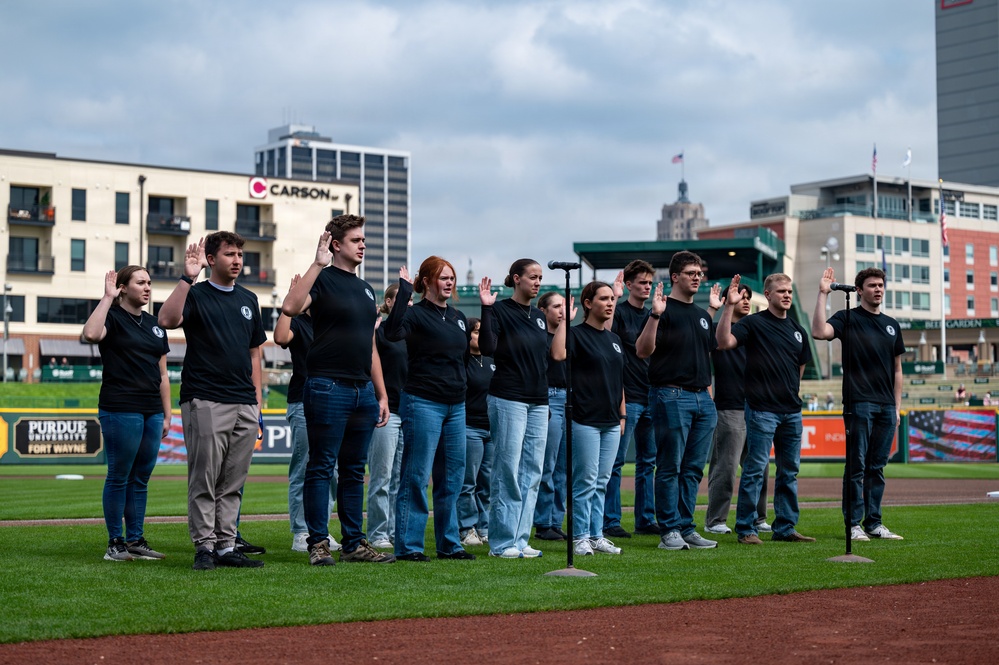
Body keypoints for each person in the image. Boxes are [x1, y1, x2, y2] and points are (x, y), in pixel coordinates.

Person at [281, 215, 394, 566]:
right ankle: (317, 543)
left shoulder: (366, 288)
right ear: (336, 244)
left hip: (362, 390)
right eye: (356, 240)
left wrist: (382, 394)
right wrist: (316, 264)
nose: (362, 245)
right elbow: (290, 307)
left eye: (363, 240)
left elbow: (369, 345)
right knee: (321, 467)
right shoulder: (323, 278)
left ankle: (354, 544)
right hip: (327, 386)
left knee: (353, 470)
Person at [158, 232, 267, 570]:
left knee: (233, 482)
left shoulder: (249, 298)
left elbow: (254, 355)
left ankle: (225, 545)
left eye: (240, 255)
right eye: (230, 254)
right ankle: (204, 547)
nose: (237, 260)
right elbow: (165, 320)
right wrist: (187, 277)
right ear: (211, 259)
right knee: (204, 478)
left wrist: (257, 404)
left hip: (244, 402)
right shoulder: (195, 293)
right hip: (205, 398)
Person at [386, 258, 474, 561]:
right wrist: (403, 291)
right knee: (416, 474)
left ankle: (449, 544)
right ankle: (409, 546)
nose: (449, 282)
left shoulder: (459, 317)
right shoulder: (416, 314)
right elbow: (392, 332)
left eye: (452, 278)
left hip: (456, 404)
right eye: (442, 278)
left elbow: (463, 360)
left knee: (452, 478)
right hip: (423, 401)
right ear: (426, 282)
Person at [716, 273, 814, 545]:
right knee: (755, 470)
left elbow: (801, 365)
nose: (786, 295)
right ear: (768, 295)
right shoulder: (753, 324)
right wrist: (727, 307)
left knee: (789, 471)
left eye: (790, 292)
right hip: (761, 410)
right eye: (781, 291)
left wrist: (790, 389)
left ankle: (785, 527)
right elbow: (724, 342)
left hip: (791, 411)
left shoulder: (797, 330)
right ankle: (747, 528)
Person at [83, 266, 171, 561]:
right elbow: (91, 334)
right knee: (119, 476)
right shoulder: (111, 317)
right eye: (140, 282)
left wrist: (167, 414)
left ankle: (135, 539)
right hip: (120, 406)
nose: (147, 287)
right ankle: (114, 542)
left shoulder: (155, 324)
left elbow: (163, 374)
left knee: (141, 477)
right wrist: (107, 298)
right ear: (123, 287)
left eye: (149, 282)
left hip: (151, 410)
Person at [812, 266, 905, 541]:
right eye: (872, 285)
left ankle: (874, 523)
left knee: (877, 467)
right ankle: (853, 523)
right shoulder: (847, 317)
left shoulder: (892, 324)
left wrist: (897, 407)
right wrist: (822, 294)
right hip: (859, 402)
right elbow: (819, 331)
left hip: (886, 406)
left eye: (881, 285)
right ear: (860, 289)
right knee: (856, 466)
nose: (878, 289)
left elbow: (898, 370)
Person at [635, 251, 719, 551]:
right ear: (674, 277)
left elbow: (709, 354)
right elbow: (643, 351)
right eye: (691, 273)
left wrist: (724, 310)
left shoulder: (700, 315)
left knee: (694, 469)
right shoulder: (662, 309)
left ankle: (686, 527)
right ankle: (669, 530)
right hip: (670, 395)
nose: (698, 277)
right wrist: (655, 314)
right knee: (670, 466)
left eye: (700, 273)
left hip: (702, 399)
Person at [478, 259, 561, 559]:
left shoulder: (539, 318)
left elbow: (546, 361)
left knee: (532, 471)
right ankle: (501, 543)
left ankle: (520, 538)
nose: (538, 282)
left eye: (541, 278)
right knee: (507, 470)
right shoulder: (499, 309)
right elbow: (487, 347)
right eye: (533, 277)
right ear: (516, 279)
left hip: (538, 401)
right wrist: (486, 307)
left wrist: (546, 402)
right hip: (508, 397)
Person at [552, 281, 626, 555]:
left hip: (610, 421)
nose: (609, 303)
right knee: (585, 480)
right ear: (587, 303)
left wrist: (623, 416)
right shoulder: (577, 334)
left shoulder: (614, 340)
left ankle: (596, 535)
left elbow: (619, 382)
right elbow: (558, 354)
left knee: (601, 481)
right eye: (603, 299)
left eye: (611, 299)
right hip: (584, 419)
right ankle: (580, 536)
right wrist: (564, 322)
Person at [273, 275, 339, 553]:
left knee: (331, 471)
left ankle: (320, 529)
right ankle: (302, 532)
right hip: (303, 400)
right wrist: (290, 303)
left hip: (335, 401)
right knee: (304, 467)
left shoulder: (333, 325)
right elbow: (280, 337)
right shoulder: (300, 322)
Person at [704, 283, 772, 536]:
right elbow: (703, 352)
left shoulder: (757, 330)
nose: (745, 301)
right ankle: (715, 520)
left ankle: (757, 518)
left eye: (747, 297)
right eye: (739, 297)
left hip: (758, 406)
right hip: (729, 405)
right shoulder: (718, 330)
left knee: (760, 467)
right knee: (726, 466)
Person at [605, 260, 659, 538]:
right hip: (627, 397)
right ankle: (611, 520)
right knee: (615, 462)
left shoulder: (654, 315)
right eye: (642, 282)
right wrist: (613, 297)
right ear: (628, 285)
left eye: (650, 283)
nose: (647, 287)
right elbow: (604, 332)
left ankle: (645, 519)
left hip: (652, 395)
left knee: (648, 462)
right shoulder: (619, 312)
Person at [366, 283, 408, 550]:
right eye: (404, 299)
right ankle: (378, 532)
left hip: (411, 409)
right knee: (382, 476)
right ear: (389, 302)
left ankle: (394, 531)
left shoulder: (411, 332)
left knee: (400, 479)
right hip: (386, 409)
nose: (409, 304)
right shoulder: (379, 331)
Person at [533, 291, 570, 542]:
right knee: (547, 464)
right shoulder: (539, 337)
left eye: (564, 306)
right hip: (549, 397)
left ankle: (555, 521)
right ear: (543, 310)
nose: (561, 310)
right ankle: (543, 522)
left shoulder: (570, 336)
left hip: (571, 399)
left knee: (564, 468)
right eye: (556, 306)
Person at [458, 317, 495, 546]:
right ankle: (466, 528)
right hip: (469, 426)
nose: (480, 337)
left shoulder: (491, 361)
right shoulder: (463, 361)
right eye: (476, 332)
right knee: (468, 482)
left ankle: (484, 526)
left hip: (491, 428)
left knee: (487, 483)